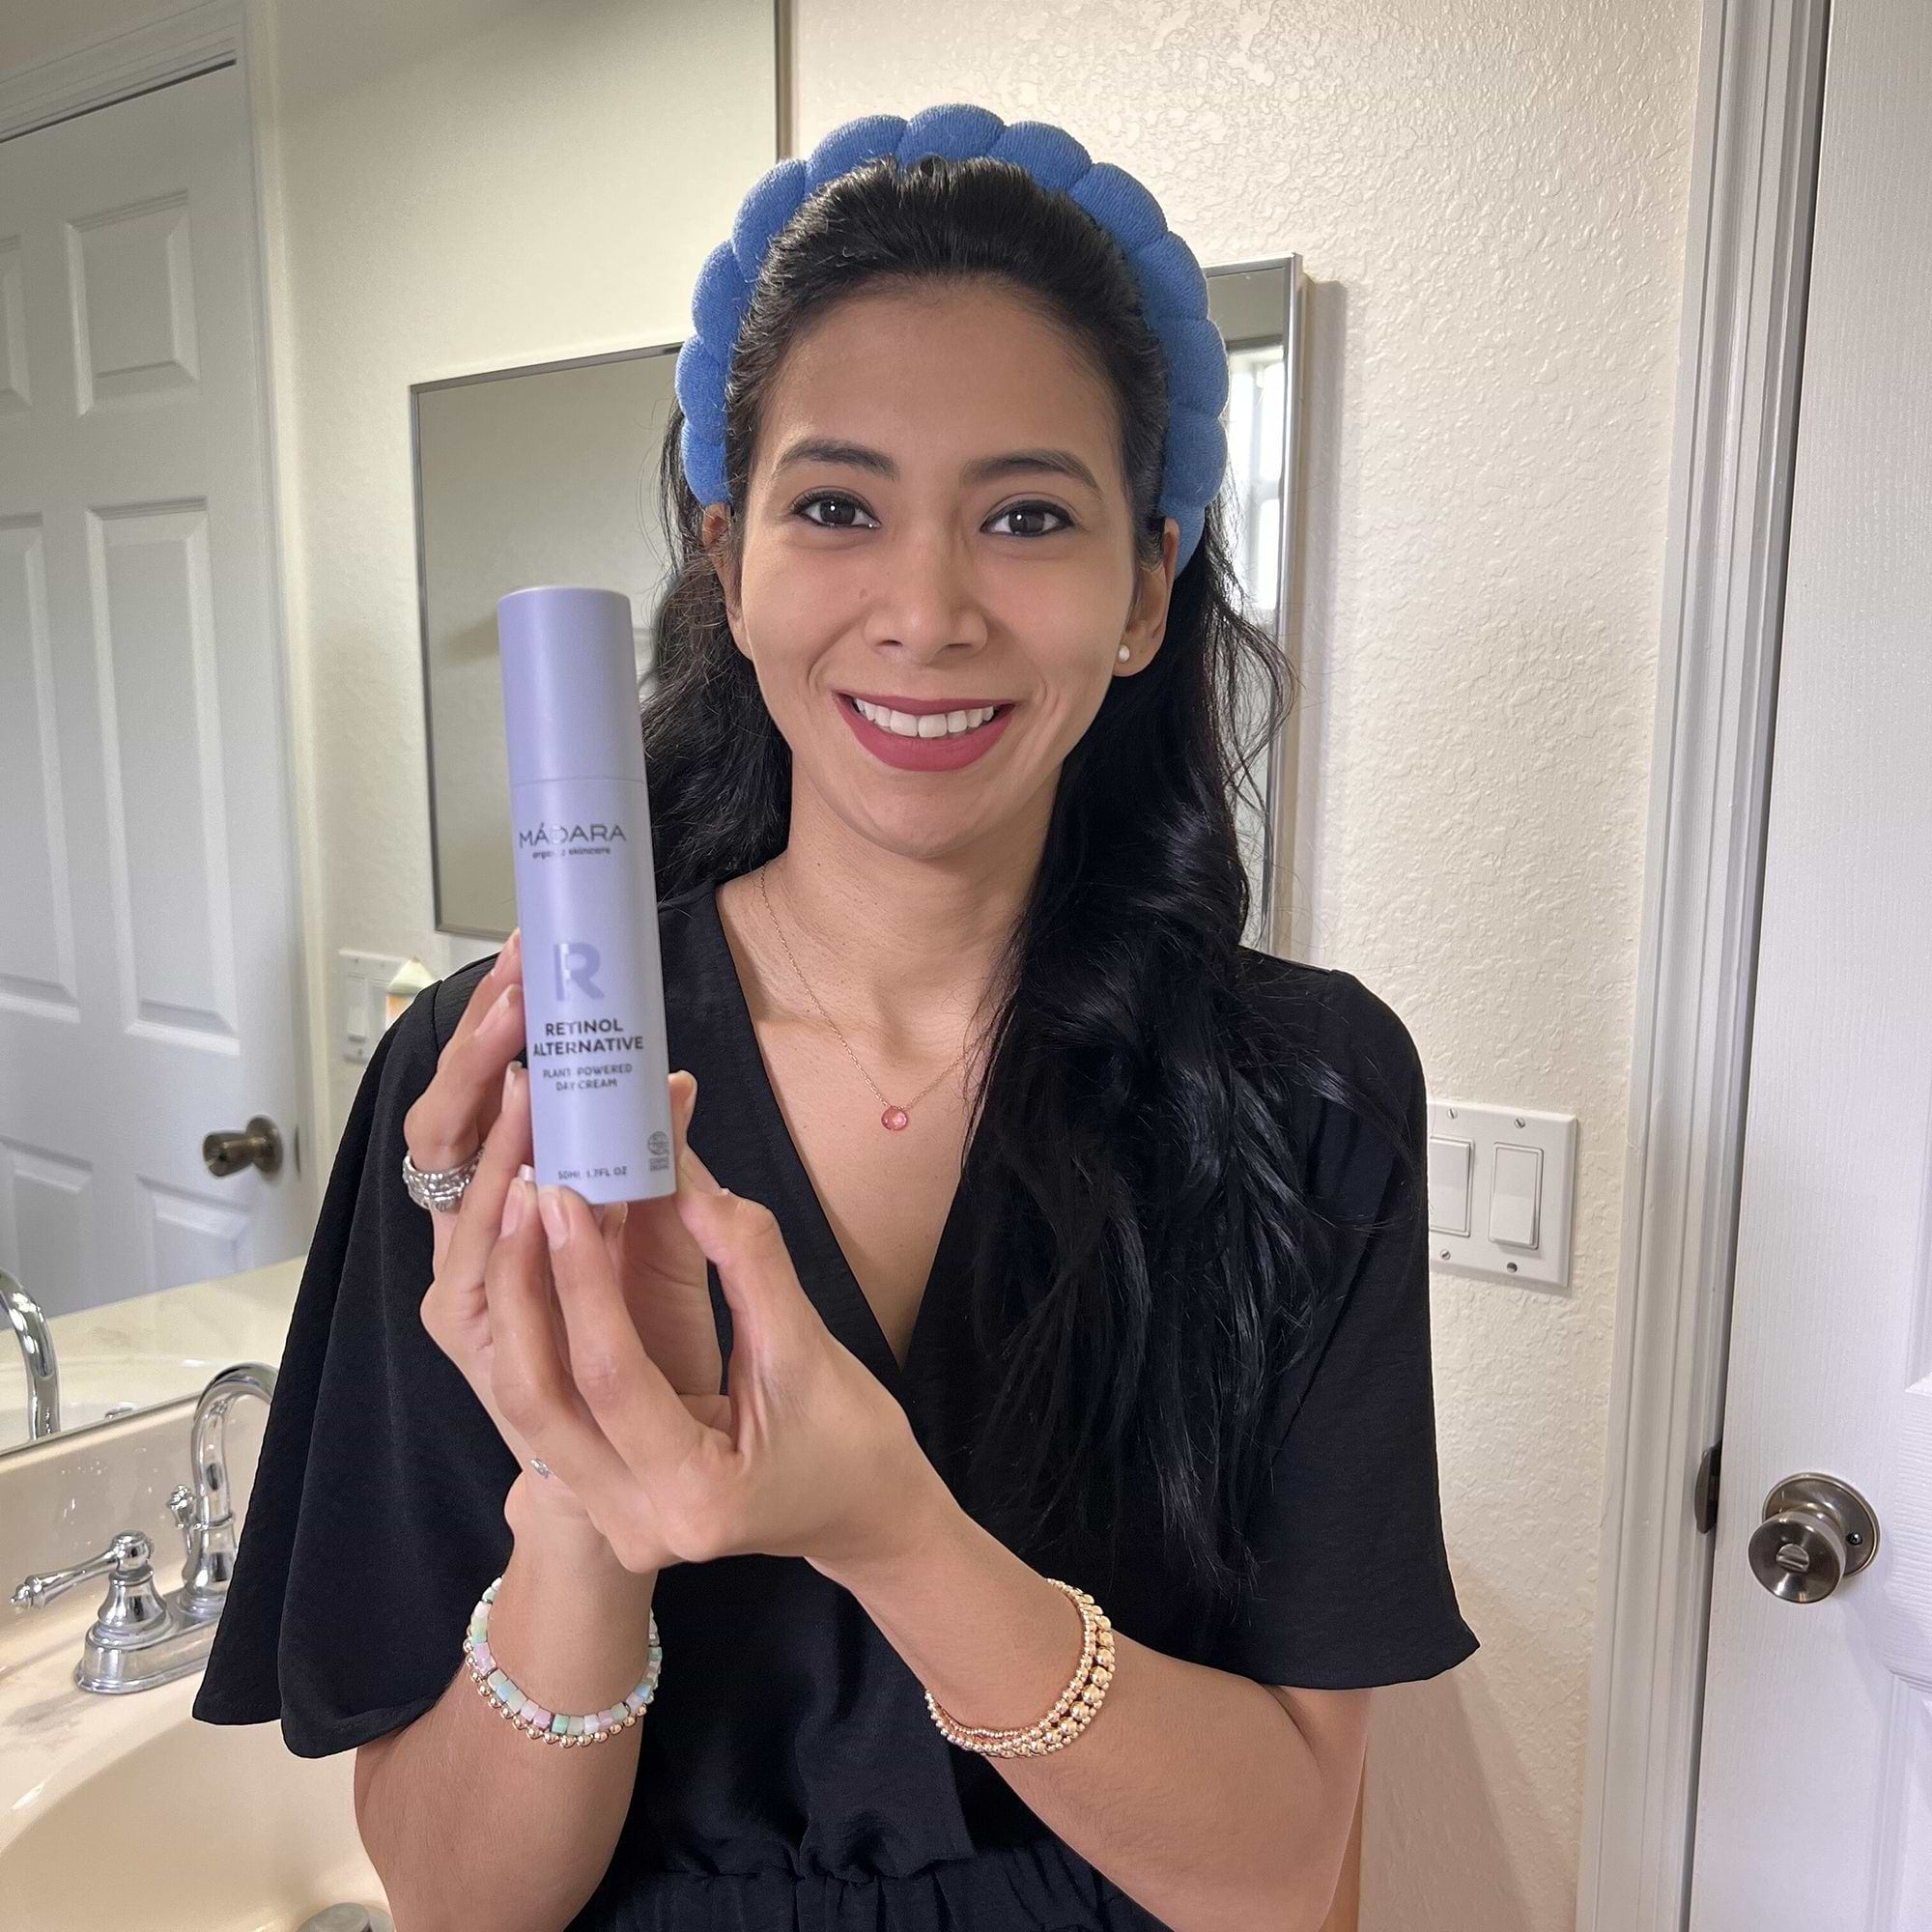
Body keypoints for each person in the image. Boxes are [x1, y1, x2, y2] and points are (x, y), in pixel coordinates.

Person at [192, 103, 1478, 1932]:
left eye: (1027, 514)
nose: (927, 609)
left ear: (1143, 588)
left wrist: (890, 1528)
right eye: (836, 506)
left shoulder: (1308, 1094)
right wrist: (588, 1492)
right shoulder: (510, 1089)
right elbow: (462, 1902)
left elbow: (1281, 1875)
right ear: (730, 558)